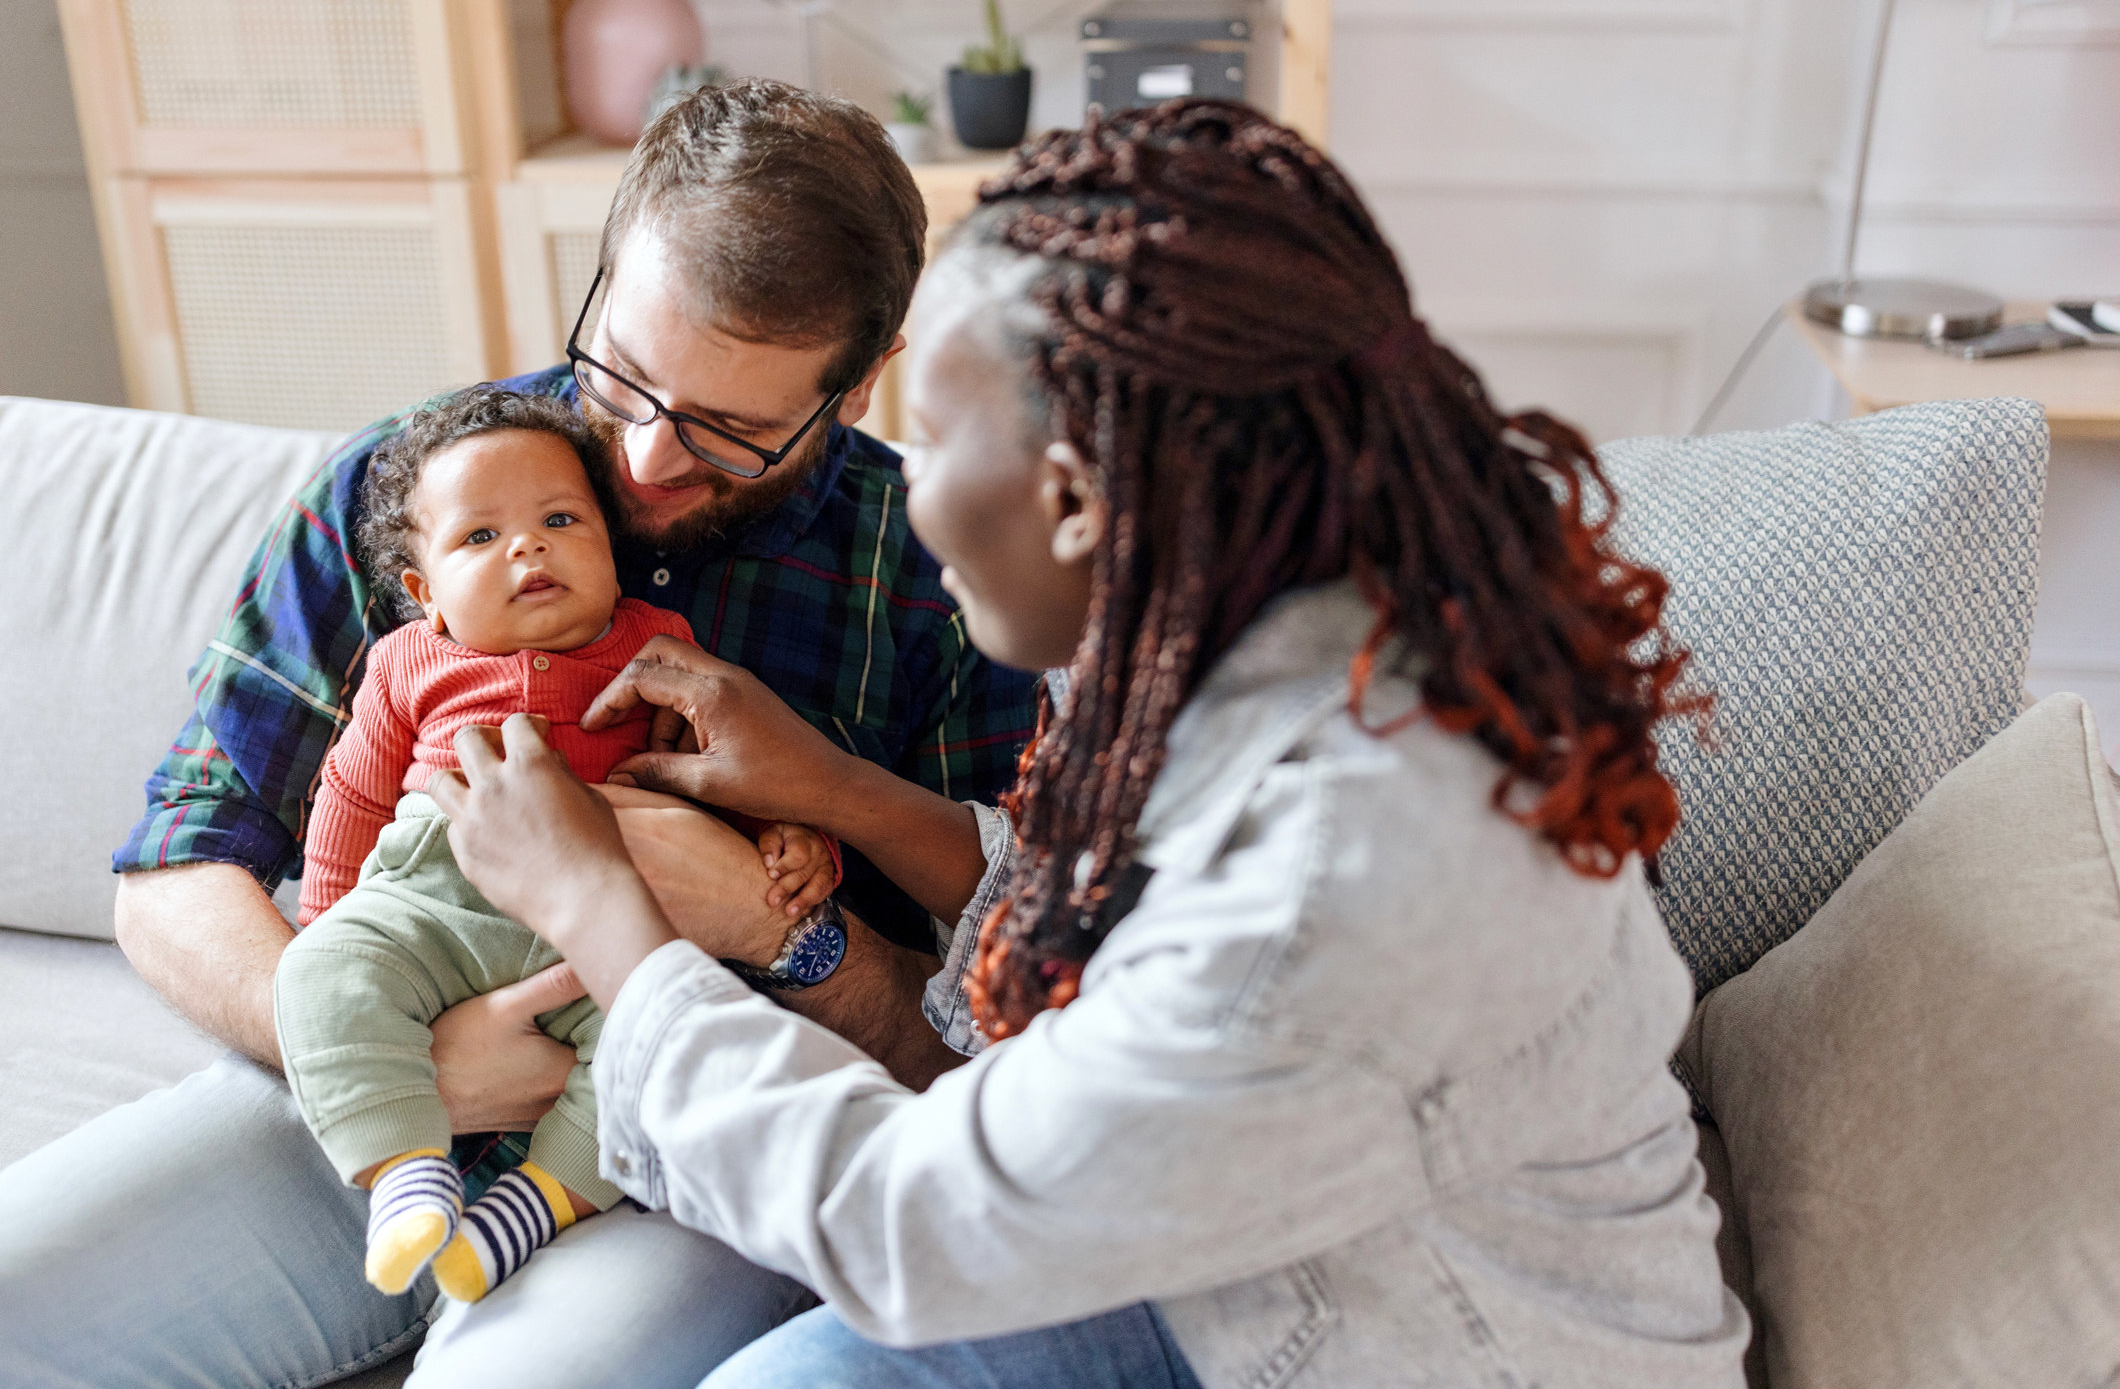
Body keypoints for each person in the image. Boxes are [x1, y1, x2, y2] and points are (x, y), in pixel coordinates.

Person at [430, 101, 1753, 1387]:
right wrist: (837, 789)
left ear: (1071, 498)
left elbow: (917, 1225)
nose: (916, 493)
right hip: (1250, 1267)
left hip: (1397, 1338)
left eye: (934, 441)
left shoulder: (1339, 879)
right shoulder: (1275, 640)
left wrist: (597, 905)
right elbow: (1113, 929)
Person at [0, 80, 1033, 1387]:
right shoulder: (415, 489)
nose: (652, 458)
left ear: (862, 382)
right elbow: (174, 865)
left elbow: (997, 1050)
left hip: (680, 1147)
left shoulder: (941, 584)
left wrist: (784, 930)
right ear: (601, 275)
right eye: (623, 373)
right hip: (355, 1084)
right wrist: (389, 1061)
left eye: (734, 430)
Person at [276, 387, 840, 1307]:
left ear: (611, 548)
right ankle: (407, 1172)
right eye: (479, 539)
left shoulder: (660, 645)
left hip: (602, 915)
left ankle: (542, 1200)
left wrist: (792, 840)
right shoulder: (410, 662)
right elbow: (350, 792)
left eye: (559, 520)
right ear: (425, 595)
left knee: (651, 1045)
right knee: (312, 974)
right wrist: (337, 930)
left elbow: (725, 770)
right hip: (432, 895)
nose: (527, 547)